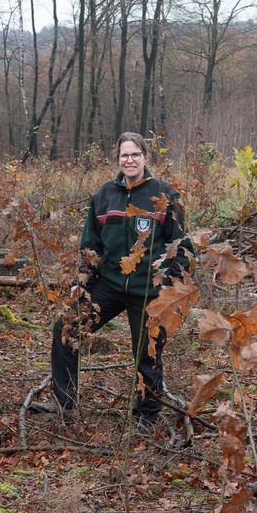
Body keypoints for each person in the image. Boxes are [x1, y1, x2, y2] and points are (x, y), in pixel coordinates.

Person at [39, 132, 193, 426]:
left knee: (146, 352)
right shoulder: (103, 195)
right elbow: (91, 246)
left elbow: (183, 248)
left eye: (135, 154)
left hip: (149, 291)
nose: (130, 160)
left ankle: (146, 416)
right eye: (124, 155)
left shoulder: (166, 195)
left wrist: (173, 290)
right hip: (108, 285)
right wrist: (82, 281)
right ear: (118, 159)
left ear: (146, 157)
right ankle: (64, 404)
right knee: (66, 328)